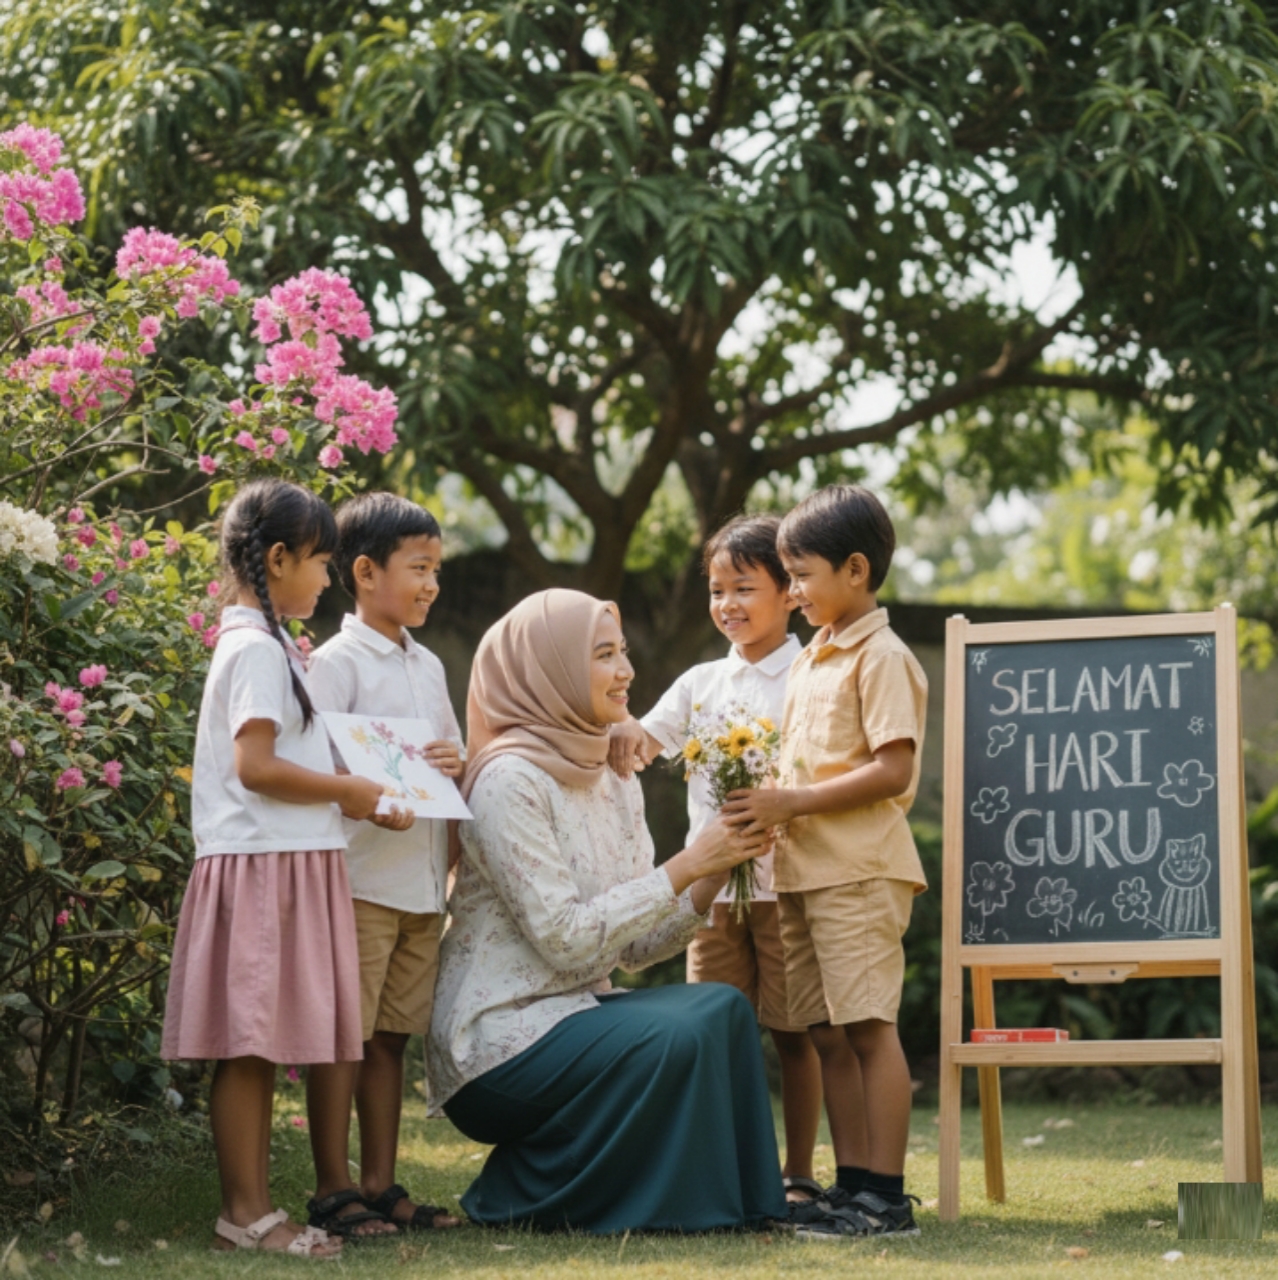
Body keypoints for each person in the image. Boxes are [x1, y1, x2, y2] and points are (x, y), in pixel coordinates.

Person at [426, 588, 785, 1234]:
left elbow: (634, 949)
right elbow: (566, 940)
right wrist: (686, 864)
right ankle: (527, 1193)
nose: (626, 672)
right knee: (678, 1032)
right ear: (549, 668)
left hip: (575, 1014)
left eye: (622, 652)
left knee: (724, 1008)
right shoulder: (507, 782)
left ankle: (744, 1204)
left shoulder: (611, 772)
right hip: (497, 1042)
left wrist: (715, 872)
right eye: (603, 655)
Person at [161, 479, 410, 1258]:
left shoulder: (272, 650)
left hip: (288, 860)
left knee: (262, 1039)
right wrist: (350, 792)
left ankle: (253, 1209)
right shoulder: (257, 651)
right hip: (263, 864)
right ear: (276, 559)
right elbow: (256, 766)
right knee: (250, 1043)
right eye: (321, 561)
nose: (328, 577)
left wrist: (367, 786)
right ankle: (247, 1212)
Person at [723, 484, 928, 1239]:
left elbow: (891, 770)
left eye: (801, 575)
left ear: (855, 568)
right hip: (805, 872)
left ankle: (888, 1197)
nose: (794, 591)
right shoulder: (813, 658)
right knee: (825, 1035)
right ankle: (850, 1188)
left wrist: (790, 805)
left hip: (860, 871)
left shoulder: (882, 656)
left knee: (870, 1029)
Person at [607, 514, 826, 1204]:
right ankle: (729, 1168)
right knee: (717, 1033)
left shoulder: (813, 675)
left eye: (743, 588)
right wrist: (614, 726)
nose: (727, 604)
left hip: (786, 886)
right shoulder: (700, 682)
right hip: (711, 895)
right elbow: (644, 739)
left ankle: (797, 1173)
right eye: (715, 590)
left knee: (795, 1034)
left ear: (790, 591)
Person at [307, 493, 464, 1237]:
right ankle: (333, 1187)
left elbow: (449, 762)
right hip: (359, 881)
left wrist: (453, 762)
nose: (432, 584)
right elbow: (315, 772)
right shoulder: (334, 664)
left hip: (421, 885)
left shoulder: (429, 664)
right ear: (364, 572)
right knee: (344, 1034)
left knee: (390, 1036)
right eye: (420, 568)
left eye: (438, 569)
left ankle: (380, 1182)